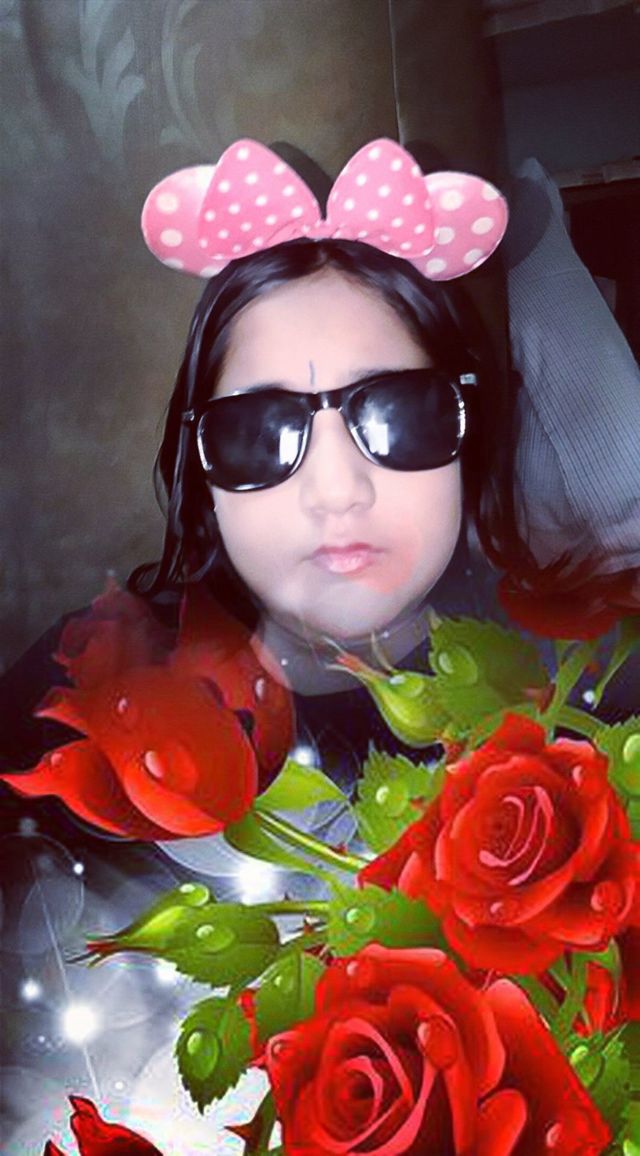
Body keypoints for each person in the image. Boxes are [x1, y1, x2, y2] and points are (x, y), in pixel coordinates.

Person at [0, 139, 637, 1150]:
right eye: (261, 433)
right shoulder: (76, 695)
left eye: (401, 414)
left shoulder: (598, 694)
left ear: (467, 426)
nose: (337, 489)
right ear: (199, 463)